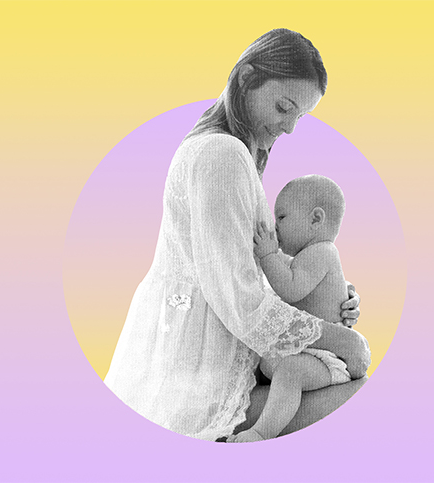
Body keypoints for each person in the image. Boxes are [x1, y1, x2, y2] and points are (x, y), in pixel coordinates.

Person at [104, 28, 370, 442]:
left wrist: (325, 296)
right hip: (200, 375)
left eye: (299, 116)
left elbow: (240, 270)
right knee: (362, 394)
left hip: (201, 360)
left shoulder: (221, 150)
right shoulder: (221, 154)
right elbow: (236, 294)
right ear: (246, 79)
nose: (290, 128)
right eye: (285, 107)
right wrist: (340, 339)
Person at [229, 175, 367, 442]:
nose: (274, 225)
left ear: (316, 219)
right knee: (288, 372)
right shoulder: (309, 257)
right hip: (308, 352)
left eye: (281, 217)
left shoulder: (322, 252)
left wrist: (268, 255)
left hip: (325, 358)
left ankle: (261, 433)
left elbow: (290, 288)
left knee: (290, 373)